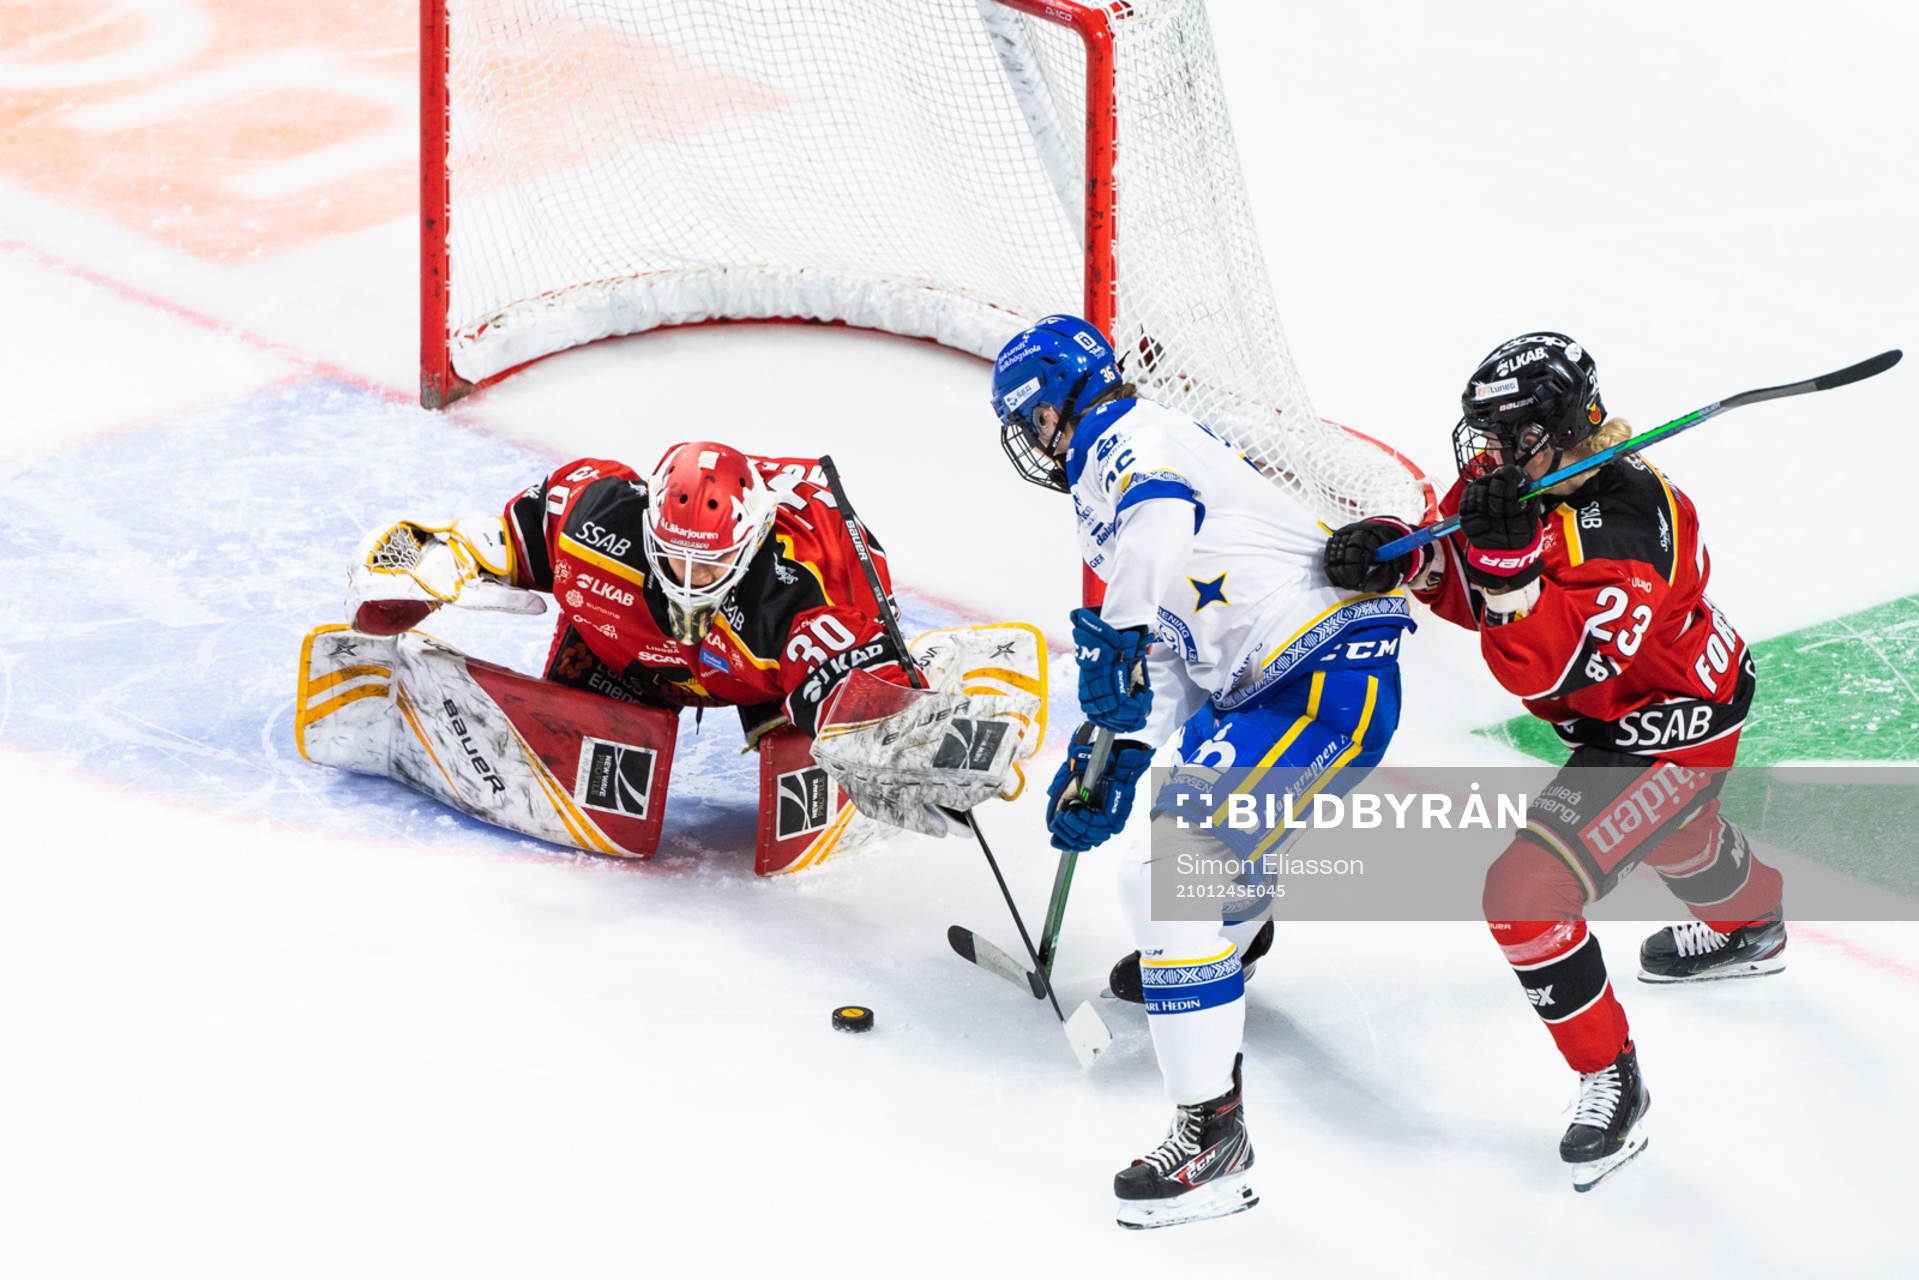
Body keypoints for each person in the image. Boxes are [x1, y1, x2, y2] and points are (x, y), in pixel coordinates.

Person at [1323, 332, 1786, 1191]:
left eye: (1510, 433)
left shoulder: (1633, 531)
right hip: (1655, 704)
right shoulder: (1517, 477)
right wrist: (1409, 555)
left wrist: (1507, 578)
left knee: (1524, 896)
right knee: (1679, 841)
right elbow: (1464, 568)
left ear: (1562, 424)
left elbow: (1559, 666)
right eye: (1483, 433)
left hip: (1666, 729)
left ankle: (1610, 1078)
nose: (1487, 454)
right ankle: (1748, 922)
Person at [992, 315, 1416, 1228]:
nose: (1030, 445)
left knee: (1167, 873)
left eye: (1028, 424)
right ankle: (1231, 940)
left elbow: (1158, 526)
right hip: (1263, 691)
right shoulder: (1109, 484)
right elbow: (1176, 654)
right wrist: (1117, 751)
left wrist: (1118, 632)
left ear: (1055, 409)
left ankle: (1212, 1140)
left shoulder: (1129, 442)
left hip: (1319, 681)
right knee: (1165, 886)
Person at [335, 441, 1026, 844]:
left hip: (760, 681)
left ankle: (786, 716)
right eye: (676, 558)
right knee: (594, 703)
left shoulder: (801, 585)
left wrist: (900, 734)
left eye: (712, 564)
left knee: (834, 728)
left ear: (750, 540)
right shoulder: (592, 511)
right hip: (626, 661)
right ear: (648, 524)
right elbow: (490, 540)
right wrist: (427, 565)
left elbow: (848, 698)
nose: (692, 580)